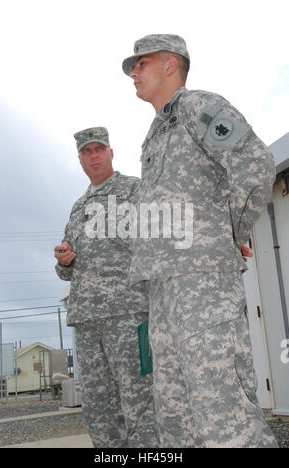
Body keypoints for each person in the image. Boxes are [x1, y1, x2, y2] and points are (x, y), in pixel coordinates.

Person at [122, 34, 278, 448]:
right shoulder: (153, 137)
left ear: (171, 65)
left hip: (202, 284)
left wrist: (230, 231)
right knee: (175, 417)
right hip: (164, 288)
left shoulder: (197, 107)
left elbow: (254, 163)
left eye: (141, 63)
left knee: (222, 414)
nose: (133, 72)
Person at [54, 127, 158, 448]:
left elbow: (163, 238)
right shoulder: (77, 208)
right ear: (80, 160)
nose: (93, 155)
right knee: (99, 408)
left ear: (111, 152)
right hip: (87, 322)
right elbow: (66, 271)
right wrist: (65, 261)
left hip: (128, 314)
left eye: (99, 149)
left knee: (140, 399)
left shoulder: (134, 191)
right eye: (87, 151)